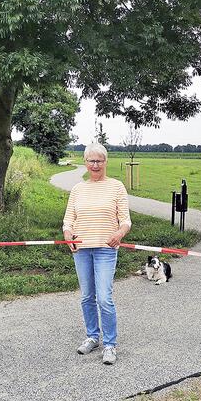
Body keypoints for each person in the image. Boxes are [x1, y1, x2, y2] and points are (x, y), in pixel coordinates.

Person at [62, 142, 131, 365]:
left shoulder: (117, 187)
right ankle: (92, 336)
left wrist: (119, 234)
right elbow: (68, 220)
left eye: (99, 161)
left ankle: (110, 344)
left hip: (105, 249)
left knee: (104, 297)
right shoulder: (78, 189)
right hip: (81, 249)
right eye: (91, 161)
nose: (95, 165)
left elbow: (126, 221)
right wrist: (67, 234)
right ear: (85, 162)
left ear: (105, 162)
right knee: (86, 296)